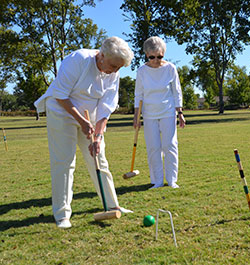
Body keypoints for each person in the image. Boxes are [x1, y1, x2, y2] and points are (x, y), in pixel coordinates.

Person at [34, 36, 134, 228]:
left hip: (91, 116)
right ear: (102, 55)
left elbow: (107, 106)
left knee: (99, 158)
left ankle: (113, 206)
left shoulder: (114, 72)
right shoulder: (78, 60)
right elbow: (60, 95)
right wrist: (82, 121)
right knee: (64, 161)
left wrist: (98, 135)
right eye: (114, 65)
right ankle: (62, 214)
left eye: (119, 67)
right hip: (62, 112)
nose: (115, 71)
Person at [134, 36, 185, 189]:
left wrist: (180, 112)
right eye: (152, 57)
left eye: (160, 56)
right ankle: (156, 180)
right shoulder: (142, 71)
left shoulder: (170, 68)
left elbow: (177, 92)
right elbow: (138, 95)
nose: (156, 60)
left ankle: (171, 180)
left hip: (168, 112)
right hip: (149, 114)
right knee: (153, 147)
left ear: (163, 53)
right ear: (146, 54)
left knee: (170, 145)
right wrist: (136, 117)